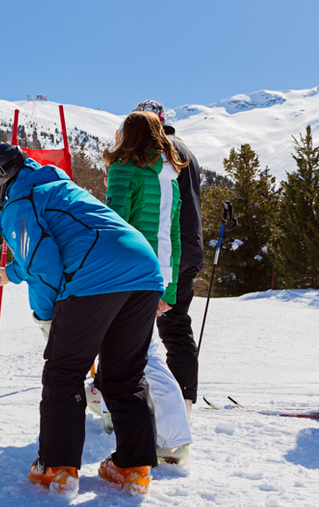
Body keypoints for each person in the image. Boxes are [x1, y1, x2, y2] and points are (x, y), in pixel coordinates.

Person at [0, 143, 165, 498]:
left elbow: (45, 269)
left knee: (64, 371)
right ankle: (132, 468)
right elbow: (61, 243)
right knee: (125, 374)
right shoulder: (55, 186)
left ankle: (57, 468)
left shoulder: (19, 202)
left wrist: (47, 319)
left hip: (95, 278)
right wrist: (10, 273)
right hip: (143, 273)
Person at [102, 109, 193, 464]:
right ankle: (168, 435)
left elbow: (115, 224)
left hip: (129, 272)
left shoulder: (124, 169)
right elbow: (174, 233)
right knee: (141, 350)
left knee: (143, 355)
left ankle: (172, 438)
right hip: (160, 273)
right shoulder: (169, 176)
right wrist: (169, 288)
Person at [132, 100, 204, 417]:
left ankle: (116, 396)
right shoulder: (187, 153)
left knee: (129, 325)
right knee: (177, 327)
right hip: (190, 249)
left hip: (162, 249)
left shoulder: (157, 152)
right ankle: (184, 403)